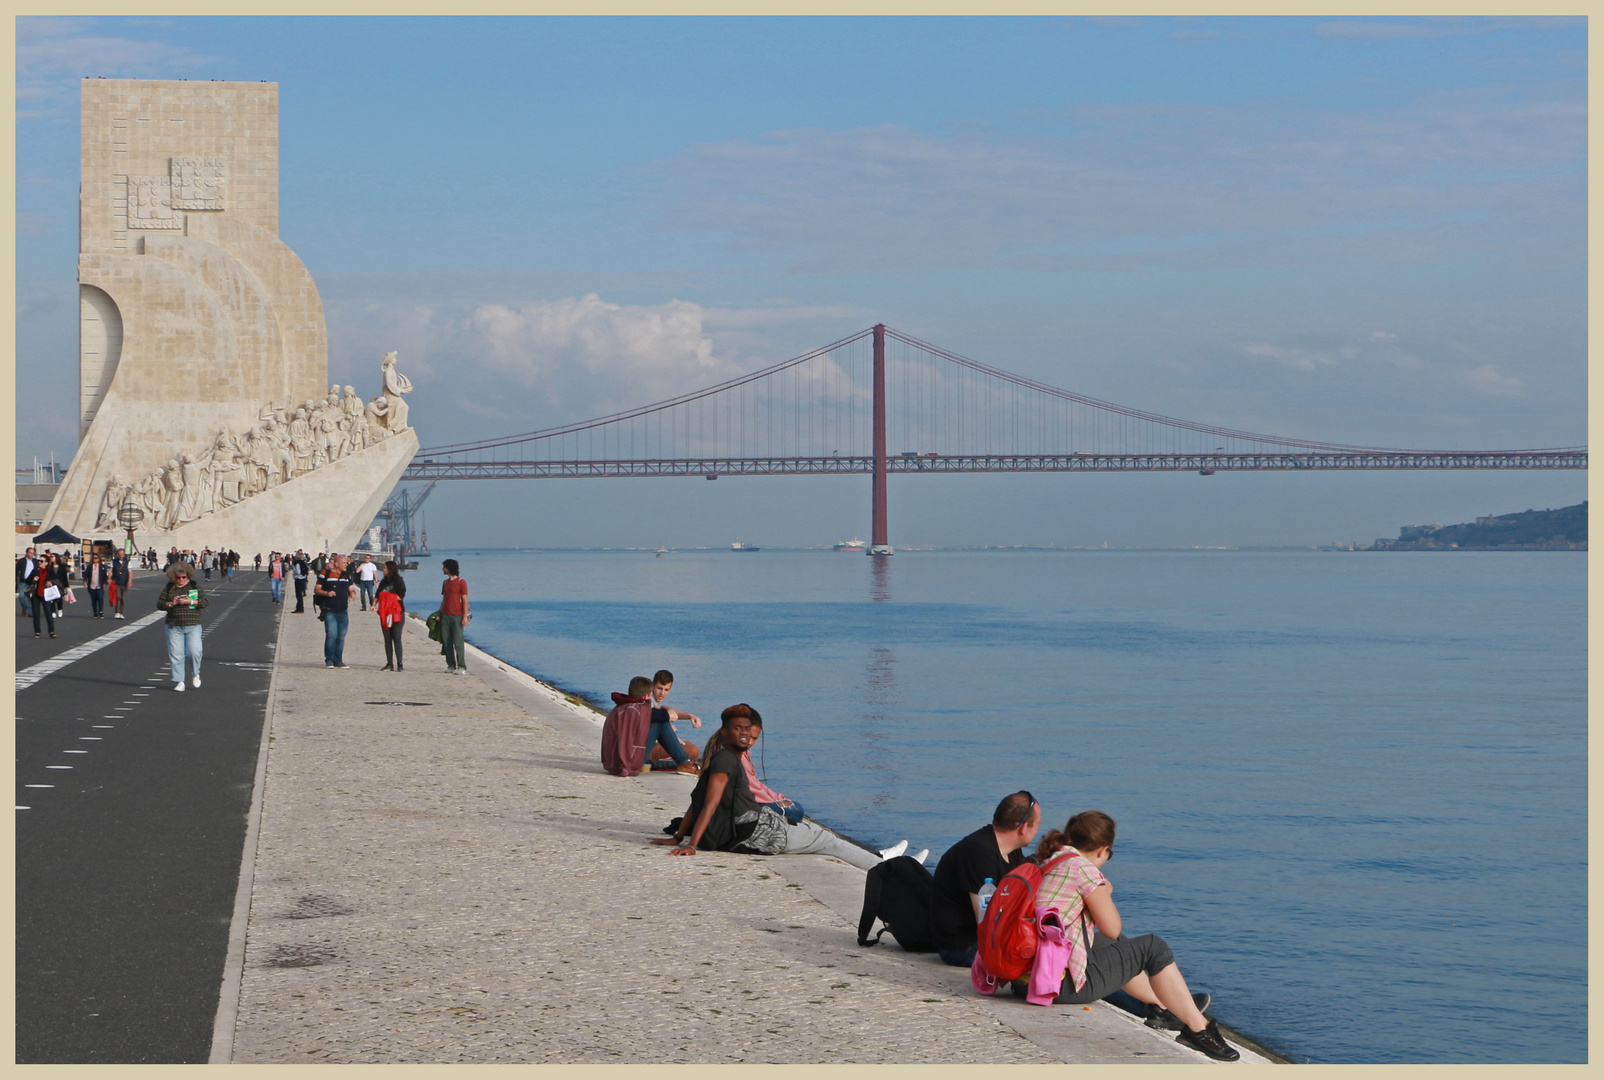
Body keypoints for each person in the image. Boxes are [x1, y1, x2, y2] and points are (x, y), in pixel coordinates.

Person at [1027, 811, 1239, 1062]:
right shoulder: (1082, 868)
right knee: (1153, 947)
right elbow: (1112, 927)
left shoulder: (1050, 859)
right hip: (1055, 986)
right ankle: (1198, 1030)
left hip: (1027, 977)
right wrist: (1105, 891)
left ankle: (1161, 1007)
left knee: (1117, 946)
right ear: (1103, 849)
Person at [655, 705, 908, 870]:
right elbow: (707, 805)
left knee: (817, 833)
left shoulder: (720, 758)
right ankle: (891, 869)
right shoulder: (726, 761)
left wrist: (679, 837)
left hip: (753, 826)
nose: (745, 735)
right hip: (758, 834)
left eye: (747, 730)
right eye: (738, 730)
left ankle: (882, 860)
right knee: (828, 840)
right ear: (724, 732)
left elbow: (696, 803)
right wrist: (690, 845)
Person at [930, 791, 1041, 967]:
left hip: (981, 937)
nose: (1037, 831)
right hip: (961, 946)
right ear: (1024, 828)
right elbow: (986, 919)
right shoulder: (978, 852)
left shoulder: (1011, 850)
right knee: (1041, 959)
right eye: (1036, 825)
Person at [157, 562, 208, 691]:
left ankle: (195, 673)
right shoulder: (170, 587)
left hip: (193, 624)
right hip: (174, 626)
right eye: (178, 577)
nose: (181, 580)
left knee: (195, 651)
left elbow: (204, 602)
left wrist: (189, 601)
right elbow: (160, 604)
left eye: (183, 577)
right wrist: (171, 603)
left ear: (188, 576)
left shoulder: (194, 585)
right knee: (176, 653)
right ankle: (180, 680)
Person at [644, 669, 702, 775]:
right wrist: (669, 732)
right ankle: (684, 763)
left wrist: (689, 716)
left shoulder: (654, 702)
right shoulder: (647, 701)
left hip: (646, 744)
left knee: (688, 744)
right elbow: (668, 716)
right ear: (653, 687)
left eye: (666, 690)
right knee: (694, 750)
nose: (662, 693)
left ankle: (683, 762)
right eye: (659, 688)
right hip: (644, 749)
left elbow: (667, 714)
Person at [601, 675, 656, 777]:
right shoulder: (632, 710)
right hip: (618, 764)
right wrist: (625, 768)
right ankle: (682, 762)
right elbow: (625, 739)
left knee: (661, 724)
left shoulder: (630, 706)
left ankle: (681, 761)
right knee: (659, 725)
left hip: (617, 762)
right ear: (645, 696)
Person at [315, 554, 357, 668]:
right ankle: (329, 659)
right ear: (336, 563)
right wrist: (327, 593)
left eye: (347, 563)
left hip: (343, 610)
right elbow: (317, 589)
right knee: (331, 635)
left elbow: (351, 588)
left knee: (341, 637)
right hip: (330, 610)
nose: (346, 564)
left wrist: (353, 593)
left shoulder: (347, 575)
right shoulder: (326, 574)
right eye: (344, 563)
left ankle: (338, 660)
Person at [375, 559, 407, 671]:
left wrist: (387, 597)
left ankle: (400, 663)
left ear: (390, 569)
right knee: (387, 638)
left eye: (384, 567)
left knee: (396, 637)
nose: (382, 569)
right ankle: (389, 663)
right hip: (385, 613)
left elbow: (401, 595)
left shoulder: (398, 581)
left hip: (397, 612)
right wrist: (374, 604)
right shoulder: (383, 582)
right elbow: (378, 594)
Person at [439, 558, 470, 674]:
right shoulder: (445, 583)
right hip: (445, 615)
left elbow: (465, 600)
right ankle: (451, 664)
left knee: (458, 642)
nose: (443, 569)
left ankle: (462, 666)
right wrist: (439, 613)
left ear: (449, 568)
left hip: (457, 616)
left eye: (444, 567)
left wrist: (465, 616)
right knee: (447, 641)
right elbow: (444, 599)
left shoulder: (461, 582)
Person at [23, 553, 57, 638]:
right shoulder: (35, 571)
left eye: (41, 561)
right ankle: (37, 632)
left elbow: (56, 579)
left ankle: (51, 631)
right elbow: (27, 580)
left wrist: (51, 582)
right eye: (39, 561)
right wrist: (33, 579)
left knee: (48, 613)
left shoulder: (50, 570)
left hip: (46, 594)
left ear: (46, 562)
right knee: (36, 613)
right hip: (36, 594)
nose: (39, 563)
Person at [84, 552, 109, 618]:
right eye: (93, 558)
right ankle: (95, 612)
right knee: (94, 599)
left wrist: (105, 583)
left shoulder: (102, 567)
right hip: (92, 585)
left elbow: (105, 576)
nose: (94, 559)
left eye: (96, 558)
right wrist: (85, 581)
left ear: (99, 559)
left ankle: (100, 611)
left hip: (100, 585)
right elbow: (86, 575)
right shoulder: (89, 566)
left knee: (100, 597)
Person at [17, 546, 38, 616]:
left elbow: (37, 571)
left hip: (32, 582)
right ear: (27, 553)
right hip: (23, 581)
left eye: (33, 553)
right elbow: (16, 571)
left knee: (30, 597)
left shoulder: (35, 561)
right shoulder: (21, 561)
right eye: (31, 553)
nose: (32, 554)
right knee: (21, 596)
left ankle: (30, 611)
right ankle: (24, 607)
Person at [110, 548, 130, 618]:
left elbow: (130, 572)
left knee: (123, 598)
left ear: (124, 554)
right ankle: (117, 612)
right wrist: (109, 578)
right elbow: (110, 570)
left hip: (125, 582)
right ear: (117, 554)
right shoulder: (114, 561)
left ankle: (121, 612)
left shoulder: (127, 562)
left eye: (122, 554)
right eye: (120, 554)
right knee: (118, 597)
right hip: (117, 581)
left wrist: (129, 581)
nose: (121, 556)